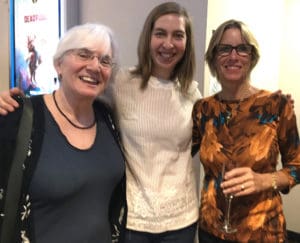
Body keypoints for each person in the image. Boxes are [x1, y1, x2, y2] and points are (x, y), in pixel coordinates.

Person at [0, 2, 201, 242]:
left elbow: (192, 146)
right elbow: (73, 90)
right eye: (160, 33)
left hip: (180, 221)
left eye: (178, 35)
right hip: (134, 221)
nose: (168, 43)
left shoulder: (192, 96)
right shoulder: (122, 84)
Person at [0, 23, 127, 243]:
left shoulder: (107, 118)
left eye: (105, 60)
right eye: (84, 55)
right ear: (59, 64)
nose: (95, 66)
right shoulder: (19, 117)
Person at [192, 19, 300, 243]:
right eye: (224, 49)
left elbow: (297, 166)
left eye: (242, 48)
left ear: (252, 57)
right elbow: (177, 152)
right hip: (211, 231)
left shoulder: (276, 104)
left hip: (262, 231)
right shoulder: (203, 109)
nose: (233, 56)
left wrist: (265, 180)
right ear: (213, 57)